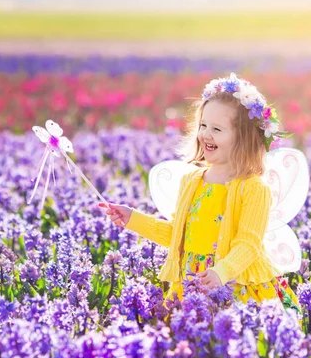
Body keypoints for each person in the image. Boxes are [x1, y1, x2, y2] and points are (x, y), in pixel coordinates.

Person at [98, 73, 300, 312]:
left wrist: (221, 272)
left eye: (217, 129)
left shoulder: (252, 187)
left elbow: (248, 244)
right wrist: (133, 219)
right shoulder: (192, 181)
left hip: (234, 284)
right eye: (203, 125)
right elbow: (178, 235)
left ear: (244, 139)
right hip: (194, 281)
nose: (205, 134)